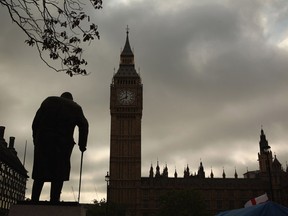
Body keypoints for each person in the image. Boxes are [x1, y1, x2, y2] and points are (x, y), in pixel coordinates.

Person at [31, 92, 89, 203]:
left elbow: (35, 123)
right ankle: (54, 200)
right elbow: (84, 125)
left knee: (40, 171)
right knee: (59, 172)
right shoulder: (75, 107)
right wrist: (82, 145)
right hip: (62, 144)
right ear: (71, 99)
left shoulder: (48, 101)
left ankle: (34, 200)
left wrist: (36, 139)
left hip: (43, 141)